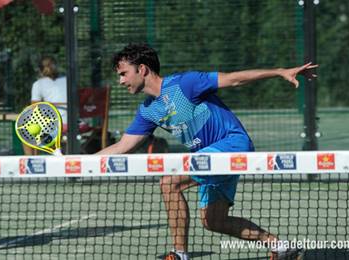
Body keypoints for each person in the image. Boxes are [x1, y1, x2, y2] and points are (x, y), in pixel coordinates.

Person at [96, 43, 317, 260]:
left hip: (232, 143)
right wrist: (73, 163)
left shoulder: (185, 84)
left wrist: (280, 72)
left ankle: (179, 255)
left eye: (123, 73)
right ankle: (282, 247)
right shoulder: (147, 110)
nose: (121, 80)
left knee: (169, 182)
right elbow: (122, 146)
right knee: (214, 221)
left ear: (142, 69)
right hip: (206, 157)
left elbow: (234, 78)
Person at [24, 56, 68, 155]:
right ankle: (57, 149)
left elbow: (34, 110)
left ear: (40, 70)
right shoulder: (68, 81)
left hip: (54, 125)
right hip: (74, 123)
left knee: (25, 131)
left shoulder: (38, 84)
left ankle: (31, 162)